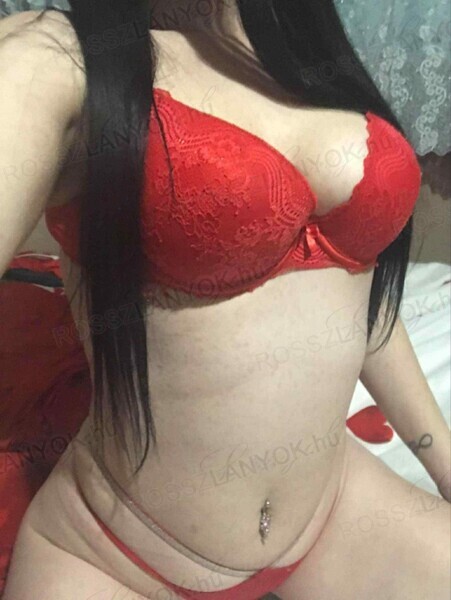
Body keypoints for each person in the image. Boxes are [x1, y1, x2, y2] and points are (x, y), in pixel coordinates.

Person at [1, 1, 450, 599]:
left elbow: (359, 298)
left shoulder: (300, 44)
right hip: (114, 554)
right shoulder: (61, 58)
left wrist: (444, 463)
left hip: (332, 515)